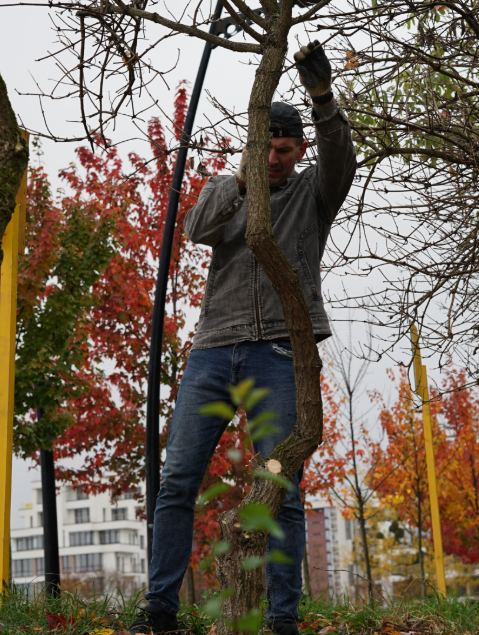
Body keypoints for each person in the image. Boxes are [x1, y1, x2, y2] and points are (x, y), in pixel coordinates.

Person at [130, 40, 356, 635]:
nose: (276, 160)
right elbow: (200, 227)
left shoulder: (314, 192)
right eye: (267, 149)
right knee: (178, 476)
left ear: (299, 149)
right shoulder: (223, 189)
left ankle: (284, 619)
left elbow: (341, 156)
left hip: (281, 349)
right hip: (213, 346)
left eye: (284, 150)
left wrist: (323, 99)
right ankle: (160, 610)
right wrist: (242, 177)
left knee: (281, 483)